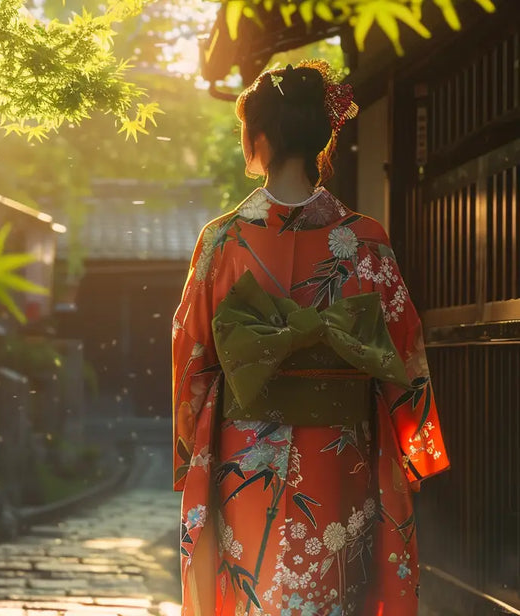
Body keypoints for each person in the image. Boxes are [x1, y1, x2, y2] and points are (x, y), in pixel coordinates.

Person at [171, 61, 450, 616]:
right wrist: (414, 447)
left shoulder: (222, 240)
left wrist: (187, 450)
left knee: (257, 590)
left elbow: (192, 353)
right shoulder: (364, 240)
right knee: (333, 587)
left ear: (261, 137)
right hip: (338, 453)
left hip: (242, 456)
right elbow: (403, 348)